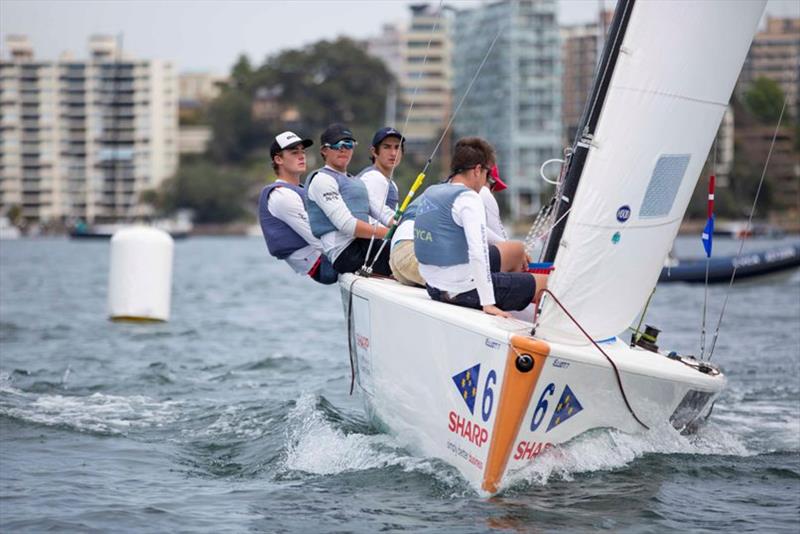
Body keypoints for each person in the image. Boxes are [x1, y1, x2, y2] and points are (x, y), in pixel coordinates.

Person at [414, 137, 547, 318]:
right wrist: (488, 303)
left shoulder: (432, 191)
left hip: (433, 286)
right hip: (460, 289)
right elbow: (478, 252)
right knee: (548, 284)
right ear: (477, 170)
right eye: (487, 174)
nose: (486, 181)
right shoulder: (469, 198)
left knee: (515, 249)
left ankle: (515, 293)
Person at [305, 124, 392, 276]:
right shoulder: (322, 180)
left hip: (364, 244)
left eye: (349, 145)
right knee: (404, 254)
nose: (344, 149)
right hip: (344, 253)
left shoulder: (357, 182)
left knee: (412, 246)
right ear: (324, 151)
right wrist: (389, 234)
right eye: (338, 145)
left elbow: (383, 213)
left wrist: (406, 229)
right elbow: (347, 225)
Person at [258, 131, 338, 284]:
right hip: (324, 267)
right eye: (294, 153)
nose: (302, 156)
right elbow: (315, 238)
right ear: (278, 159)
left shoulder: (301, 190)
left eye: (303, 152)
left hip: (327, 258)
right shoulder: (282, 196)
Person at [357, 127, 403, 224]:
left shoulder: (389, 182)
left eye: (397, 147)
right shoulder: (374, 177)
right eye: (386, 147)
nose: (393, 153)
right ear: (374, 151)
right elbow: (382, 216)